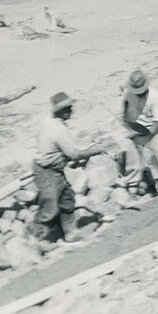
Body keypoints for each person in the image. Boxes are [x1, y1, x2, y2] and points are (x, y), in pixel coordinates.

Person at [29, 91, 106, 243]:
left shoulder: (49, 120)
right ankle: (36, 239)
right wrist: (95, 150)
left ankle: (70, 233)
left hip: (54, 168)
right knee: (49, 207)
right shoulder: (58, 130)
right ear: (61, 112)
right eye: (68, 109)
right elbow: (75, 154)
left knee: (67, 199)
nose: (71, 111)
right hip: (45, 171)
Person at [113, 70, 158, 197]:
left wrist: (145, 137)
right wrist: (130, 130)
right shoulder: (127, 95)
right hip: (133, 128)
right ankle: (132, 185)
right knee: (127, 148)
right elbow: (124, 115)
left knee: (154, 149)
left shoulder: (155, 96)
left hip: (150, 130)